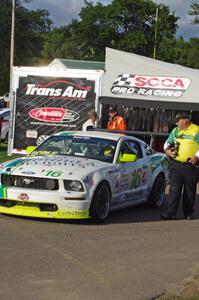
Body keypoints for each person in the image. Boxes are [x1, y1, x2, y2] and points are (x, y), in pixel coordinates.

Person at [161, 112, 199, 220]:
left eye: (178, 121)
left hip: (190, 166)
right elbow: (167, 144)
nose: (176, 123)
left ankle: (188, 213)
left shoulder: (196, 130)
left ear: (186, 121)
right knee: (174, 189)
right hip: (176, 164)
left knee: (189, 190)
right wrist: (167, 151)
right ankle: (170, 213)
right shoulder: (176, 130)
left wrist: (196, 157)